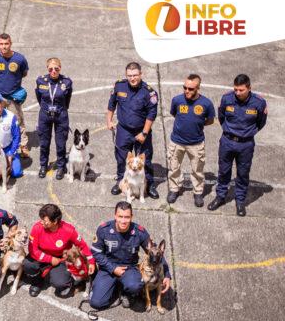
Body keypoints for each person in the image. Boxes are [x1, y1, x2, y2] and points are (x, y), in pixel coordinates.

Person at [89, 201, 171, 309]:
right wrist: (113, 268)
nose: (123, 221)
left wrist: (167, 274)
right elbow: (96, 253)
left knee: (136, 286)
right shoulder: (104, 230)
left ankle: (125, 292)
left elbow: (156, 252)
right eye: (120, 216)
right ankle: (114, 290)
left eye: (127, 217)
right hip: (108, 267)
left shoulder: (139, 232)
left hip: (129, 268)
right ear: (115, 216)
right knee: (96, 303)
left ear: (132, 217)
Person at [207, 74, 268, 217]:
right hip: (227, 141)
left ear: (249, 88)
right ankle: (220, 197)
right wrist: (230, 132)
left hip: (246, 144)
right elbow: (221, 118)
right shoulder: (226, 98)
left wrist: (247, 133)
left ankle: (240, 201)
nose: (237, 93)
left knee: (243, 173)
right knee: (223, 171)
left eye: (241, 90)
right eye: (235, 90)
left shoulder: (259, 102)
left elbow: (261, 122)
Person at [107, 62, 160, 199]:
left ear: (141, 74)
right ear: (126, 75)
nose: (132, 78)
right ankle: (121, 181)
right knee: (121, 158)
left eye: (135, 75)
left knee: (145, 159)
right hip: (124, 130)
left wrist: (144, 133)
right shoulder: (119, 86)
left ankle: (149, 184)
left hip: (141, 131)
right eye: (129, 75)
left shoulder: (149, 92)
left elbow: (151, 114)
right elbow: (112, 104)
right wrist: (109, 120)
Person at [22, 204, 95, 297]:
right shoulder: (37, 228)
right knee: (28, 265)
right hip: (41, 255)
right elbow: (33, 251)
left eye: (45, 221)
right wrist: (50, 259)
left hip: (61, 259)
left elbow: (83, 246)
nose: (41, 222)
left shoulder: (68, 230)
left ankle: (72, 281)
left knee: (59, 283)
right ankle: (37, 282)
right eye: (41, 219)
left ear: (55, 221)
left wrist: (91, 261)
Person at [167, 74, 215, 207]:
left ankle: (198, 192)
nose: (187, 91)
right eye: (185, 88)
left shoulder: (206, 103)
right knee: (174, 167)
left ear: (198, 88)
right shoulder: (177, 100)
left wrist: (197, 125)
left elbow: (210, 120)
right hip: (176, 142)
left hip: (196, 143)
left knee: (197, 170)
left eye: (191, 89)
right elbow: (174, 113)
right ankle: (174, 189)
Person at [0, 33, 30, 157]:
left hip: (13, 96)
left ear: (10, 44)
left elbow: (24, 72)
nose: (4, 46)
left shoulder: (20, 59)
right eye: (1, 44)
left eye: (6, 44)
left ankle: (23, 145)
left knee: (18, 122)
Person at [35, 57, 74, 179]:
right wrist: (46, 108)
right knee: (44, 143)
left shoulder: (66, 82)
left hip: (61, 115)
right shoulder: (41, 81)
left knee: (61, 143)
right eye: (51, 69)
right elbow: (39, 97)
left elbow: (67, 99)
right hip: (45, 115)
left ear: (60, 68)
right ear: (47, 68)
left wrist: (60, 109)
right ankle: (43, 165)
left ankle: (61, 166)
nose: (53, 71)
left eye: (56, 69)